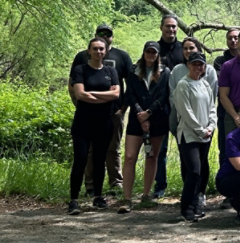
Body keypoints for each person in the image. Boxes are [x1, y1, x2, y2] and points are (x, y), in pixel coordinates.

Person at [68, 24, 132, 196]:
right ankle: (87, 189)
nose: (104, 37)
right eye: (100, 35)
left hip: (113, 114)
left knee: (111, 150)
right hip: (85, 115)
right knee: (86, 154)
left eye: (108, 34)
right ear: (90, 49)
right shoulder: (81, 61)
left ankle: (114, 185)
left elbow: (123, 89)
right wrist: (81, 100)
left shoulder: (120, 59)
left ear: (112, 38)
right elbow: (75, 89)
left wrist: (123, 108)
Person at [67, 38, 120, 214]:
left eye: (101, 49)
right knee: (81, 159)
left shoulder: (110, 71)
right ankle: (74, 200)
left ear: (105, 52)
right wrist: (105, 95)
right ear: (89, 51)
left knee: (99, 160)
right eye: (95, 49)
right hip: (83, 123)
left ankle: (98, 197)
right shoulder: (80, 70)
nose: (98, 52)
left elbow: (116, 94)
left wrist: (92, 94)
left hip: (104, 123)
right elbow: (80, 94)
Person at [119, 42, 170, 213]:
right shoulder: (133, 71)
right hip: (136, 119)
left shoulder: (165, 72)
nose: (150, 54)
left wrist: (149, 112)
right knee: (130, 156)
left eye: (154, 52)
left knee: (152, 156)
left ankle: (146, 195)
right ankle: (127, 199)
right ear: (144, 52)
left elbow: (164, 95)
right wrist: (141, 114)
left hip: (157, 120)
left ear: (158, 54)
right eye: (148, 51)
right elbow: (130, 94)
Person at [169, 37, 218, 211]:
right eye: (194, 64)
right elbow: (185, 112)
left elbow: (212, 107)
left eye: (200, 65)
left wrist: (211, 127)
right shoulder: (183, 85)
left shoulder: (204, 84)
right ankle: (186, 206)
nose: (197, 67)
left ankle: (196, 204)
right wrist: (199, 129)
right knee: (194, 170)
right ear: (188, 65)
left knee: (200, 170)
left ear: (204, 67)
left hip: (205, 134)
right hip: (189, 134)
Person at [153, 14, 184, 198]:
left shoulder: (184, 49)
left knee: (185, 147)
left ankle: (187, 184)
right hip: (160, 107)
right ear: (161, 27)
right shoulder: (155, 49)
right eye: (168, 26)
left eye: (174, 26)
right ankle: (160, 186)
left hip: (181, 106)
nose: (171, 29)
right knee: (160, 149)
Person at [214, 28, 239, 209]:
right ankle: (229, 193)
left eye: (236, 38)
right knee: (226, 152)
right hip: (225, 115)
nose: (234, 41)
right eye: (230, 38)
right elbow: (222, 87)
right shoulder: (220, 62)